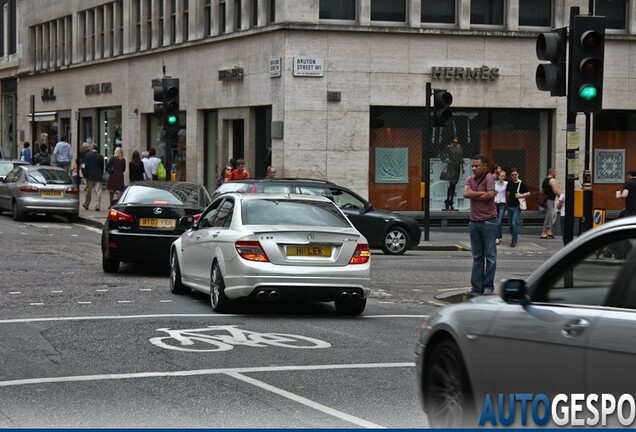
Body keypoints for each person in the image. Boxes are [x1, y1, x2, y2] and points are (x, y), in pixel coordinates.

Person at [463, 154, 497, 295]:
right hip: (474, 221)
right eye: (473, 166)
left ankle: (488, 286)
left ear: (484, 166)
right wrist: (481, 194)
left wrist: (474, 194)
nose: (474, 168)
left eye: (477, 166)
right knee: (477, 256)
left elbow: (491, 195)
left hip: (489, 221)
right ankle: (476, 287)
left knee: (490, 255)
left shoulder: (489, 177)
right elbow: (465, 194)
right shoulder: (469, 179)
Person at [505, 168, 530, 248]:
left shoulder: (522, 184)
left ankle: (514, 240)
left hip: (517, 206)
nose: (514, 176)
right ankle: (514, 237)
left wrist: (521, 195)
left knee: (514, 223)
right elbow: (507, 193)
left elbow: (528, 193)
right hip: (510, 206)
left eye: (515, 175)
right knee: (510, 225)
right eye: (512, 175)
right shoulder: (509, 184)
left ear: (518, 174)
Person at [441, 138, 464, 210]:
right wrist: (446, 160)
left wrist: (462, 168)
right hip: (451, 167)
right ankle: (448, 201)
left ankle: (450, 201)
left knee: (454, 184)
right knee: (452, 183)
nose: (455, 142)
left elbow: (461, 157)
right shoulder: (449, 147)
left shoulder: (459, 147)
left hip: (457, 167)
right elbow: (443, 154)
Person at [83, 144, 105, 211]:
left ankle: (86, 204)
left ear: (92, 148)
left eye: (90, 147)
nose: (89, 148)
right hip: (98, 176)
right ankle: (97, 206)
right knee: (98, 192)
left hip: (90, 176)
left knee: (88, 191)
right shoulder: (101, 156)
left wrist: (85, 175)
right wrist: (101, 174)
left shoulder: (88, 156)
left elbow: (86, 166)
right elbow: (102, 167)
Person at [540, 168, 560, 239]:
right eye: (555, 172)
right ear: (552, 172)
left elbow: (542, 191)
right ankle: (544, 232)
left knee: (552, 215)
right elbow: (555, 190)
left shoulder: (544, 180)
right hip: (550, 200)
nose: (556, 173)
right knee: (549, 216)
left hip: (546, 200)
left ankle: (549, 231)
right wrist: (560, 197)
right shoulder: (552, 180)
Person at [494, 170, 507, 245]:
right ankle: (498, 236)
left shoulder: (506, 184)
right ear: (498, 176)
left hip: (502, 203)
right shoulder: (494, 184)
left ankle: (498, 236)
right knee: (496, 221)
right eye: (501, 176)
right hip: (495, 203)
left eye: (504, 176)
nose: (503, 177)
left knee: (499, 221)